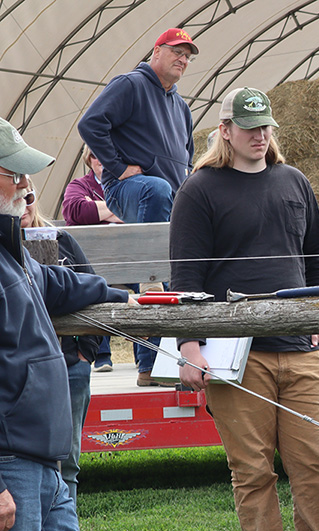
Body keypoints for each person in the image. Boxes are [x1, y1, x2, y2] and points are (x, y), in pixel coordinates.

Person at [169, 88, 319, 531]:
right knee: (252, 470)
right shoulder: (199, 190)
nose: (259, 134)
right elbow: (185, 272)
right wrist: (189, 344)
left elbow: (317, 256)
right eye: (248, 127)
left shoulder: (295, 181)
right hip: (234, 355)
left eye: (265, 125)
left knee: (314, 463)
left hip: (300, 350)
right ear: (225, 131)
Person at [0, 115, 135, 531]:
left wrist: (123, 297)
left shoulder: (14, 255)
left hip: (44, 466)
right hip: (9, 470)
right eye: (15, 175)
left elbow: (57, 283)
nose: (28, 187)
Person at [78, 27, 196, 386]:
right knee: (154, 272)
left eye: (188, 56)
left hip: (169, 196)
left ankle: (179, 360)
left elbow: (187, 155)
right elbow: (90, 124)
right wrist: (117, 166)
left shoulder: (181, 105)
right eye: (177, 51)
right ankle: (149, 365)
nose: (183, 59)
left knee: (181, 275)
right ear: (156, 51)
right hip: (131, 189)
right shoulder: (130, 84)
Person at [20, 183, 105, 500]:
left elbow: (94, 289)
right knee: (26, 464)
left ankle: (65, 530)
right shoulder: (6, 249)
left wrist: (86, 354)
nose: (26, 205)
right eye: (20, 198)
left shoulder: (61, 240)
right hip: (23, 371)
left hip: (70, 366)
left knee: (67, 461)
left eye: (30, 197)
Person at [61, 144, 121, 371]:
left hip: (131, 256)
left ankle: (147, 363)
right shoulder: (80, 185)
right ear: (89, 159)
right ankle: (101, 355)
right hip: (97, 258)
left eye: (106, 154)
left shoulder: (130, 183)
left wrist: (97, 211)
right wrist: (119, 210)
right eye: (95, 155)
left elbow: (143, 208)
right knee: (94, 282)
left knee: (154, 284)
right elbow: (75, 210)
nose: (101, 160)